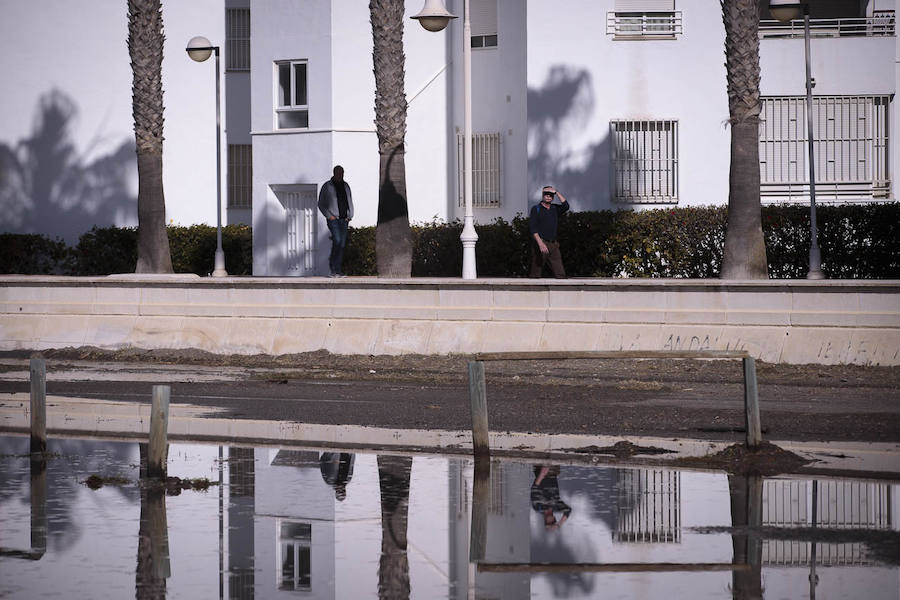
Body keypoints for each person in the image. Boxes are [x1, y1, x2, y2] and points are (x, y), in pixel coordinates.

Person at [318, 165, 354, 277]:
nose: (340, 175)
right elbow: (321, 203)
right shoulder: (327, 186)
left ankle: (338, 270)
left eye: (342, 173)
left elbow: (349, 200)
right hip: (334, 220)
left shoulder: (346, 186)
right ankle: (333, 269)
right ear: (334, 173)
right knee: (337, 241)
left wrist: (350, 215)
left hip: (344, 220)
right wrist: (329, 216)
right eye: (338, 173)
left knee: (342, 245)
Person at [529, 185, 568, 278]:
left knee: (561, 274)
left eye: (551, 195)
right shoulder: (536, 209)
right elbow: (533, 229)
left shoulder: (554, 208)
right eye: (546, 194)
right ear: (543, 195)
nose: (548, 196)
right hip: (541, 244)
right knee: (535, 274)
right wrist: (540, 244)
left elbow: (566, 206)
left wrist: (556, 192)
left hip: (553, 245)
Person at [531, 465, 571, 530]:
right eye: (552, 522)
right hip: (553, 472)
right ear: (554, 518)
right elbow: (568, 510)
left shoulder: (538, 508)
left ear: (545, 520)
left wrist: (542, 474)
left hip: (540, 471)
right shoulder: (556, 507)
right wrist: (559, 524)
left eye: (548, 522)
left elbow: (534, 489)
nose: (550, 521)